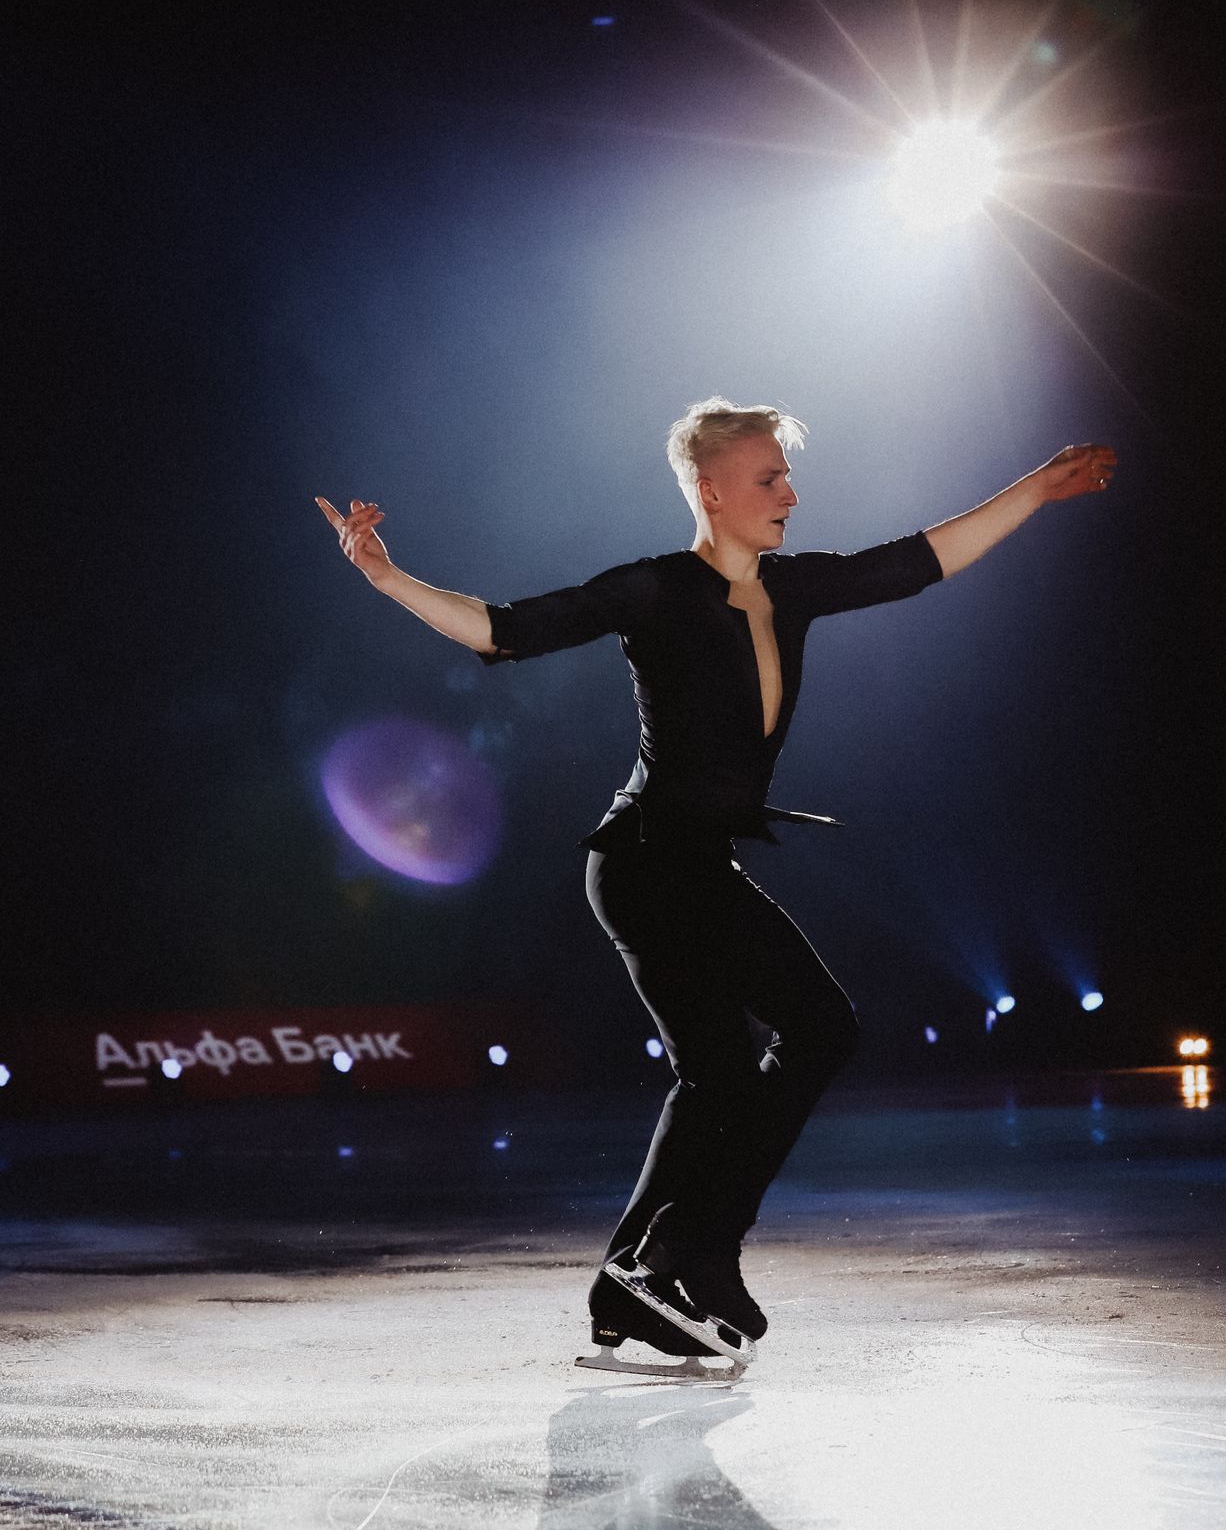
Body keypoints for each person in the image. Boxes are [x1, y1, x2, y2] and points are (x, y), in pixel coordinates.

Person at [317, 398, 1115, 1374]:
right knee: (773, 1049)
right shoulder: (656, 590)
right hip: (646, 863)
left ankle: (647, 1272)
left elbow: (916, 561)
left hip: (695, 866)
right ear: (711, 490)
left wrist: (1035, 489)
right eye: (769, 478)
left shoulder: (794, 588)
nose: (790, 494)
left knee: (763, 1056)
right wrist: (386, 575)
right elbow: (507, 630)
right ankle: (682, 1255)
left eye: (787, 475)